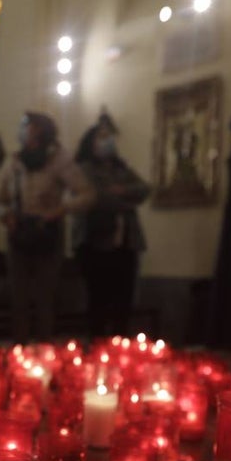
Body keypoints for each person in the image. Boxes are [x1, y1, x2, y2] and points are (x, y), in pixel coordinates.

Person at [0, 111, 95, 343]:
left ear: (39, 131)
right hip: (19, 232)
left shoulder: (59, 160)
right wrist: (6, 216)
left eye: (26, 126)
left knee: (45, 299)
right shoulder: (15, 162)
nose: (22, 131)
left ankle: (44, 350)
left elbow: (87, 194)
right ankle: (20, 349)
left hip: (46, 231)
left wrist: (61, 209)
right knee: (18, 299)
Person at [72, 113, 151, 339]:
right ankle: (97, 344)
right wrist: (125, 200)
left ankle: (119, 345)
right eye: (102, 137)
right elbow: (97, 197)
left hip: (125, 241)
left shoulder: (121, 169)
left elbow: (144, 188)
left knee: (123, 299)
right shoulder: (84, 169)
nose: (107, 141)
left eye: (109, 137)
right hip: (95, 240)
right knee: (99, 298)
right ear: (92, 142)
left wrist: (122, 190)